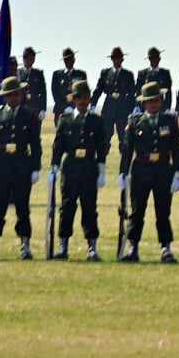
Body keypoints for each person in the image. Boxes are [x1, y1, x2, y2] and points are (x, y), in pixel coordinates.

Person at [0, 76, 41, 261]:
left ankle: (25, 245)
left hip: (22, 164)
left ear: (21, 95)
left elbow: (35, 144)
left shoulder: (29, 115)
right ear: (4, 96)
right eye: (10, 94)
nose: (14, 97)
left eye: (16, 94)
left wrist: (35, 167)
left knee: (22, 207)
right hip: (2, 164)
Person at [118, 81, 179, 263]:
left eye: (156, 100)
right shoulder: (135, 121)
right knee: (137, 212)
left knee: (163, 211)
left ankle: (165, 248)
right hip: (141, 170)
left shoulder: (169, 121)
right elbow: (128, 149)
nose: (153, 104)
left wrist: (178, 173)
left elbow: (175, 149)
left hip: (163, 170)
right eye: (149, 101)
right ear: (143, 103)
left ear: (161, 101)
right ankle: (133, 248)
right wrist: (123, 173)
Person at [49, 80, 111, 261]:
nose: (82, 101)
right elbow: (58, 145)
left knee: (89, 207)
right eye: (79, 98)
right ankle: (63, 246)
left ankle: (92, 247)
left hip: (89, 167)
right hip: (70, 167)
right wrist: (54, 165)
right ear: (73, 100)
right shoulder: (65, 120)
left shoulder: (96, 120)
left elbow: (102, 145)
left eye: (85, 97)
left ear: (89, 99)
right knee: (67, 207)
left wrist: (101, 167)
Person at [93, 47, 137, 143]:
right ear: (111, 59)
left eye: (119, 58)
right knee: (104, 136)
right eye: (114, 58)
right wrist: (92, 105)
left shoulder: (128, 74)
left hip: (123, 109)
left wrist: (133, 108)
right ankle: (102, 157)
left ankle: (124, 157)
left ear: (122, 59)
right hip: (108, 108)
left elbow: (132, 93)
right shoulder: (105, 73)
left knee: (124, 137)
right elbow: (98, 90)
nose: (117, 60)